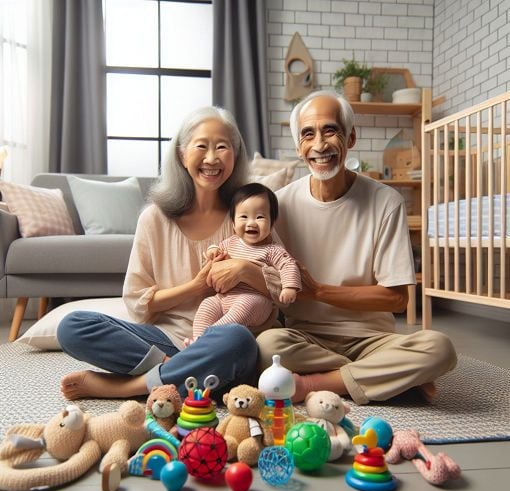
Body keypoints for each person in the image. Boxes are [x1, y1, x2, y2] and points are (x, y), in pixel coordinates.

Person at [57, 106, 272, 402]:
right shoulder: (155, 218)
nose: (211, 158)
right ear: (182, 155)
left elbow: (281, 289)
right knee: (72, 326)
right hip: (165, 342)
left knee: (239, 340)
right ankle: (174, 374)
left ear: (235, 156)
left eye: (222, 147)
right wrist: (196, 286)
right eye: (201, 146)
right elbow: (137, 302)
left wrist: (245, 271)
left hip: (222, 346)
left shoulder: (249, 217)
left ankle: (126, 388)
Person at [257, 90, 457, 405]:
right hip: (305, 338)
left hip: (373, 340)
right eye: (308, 134)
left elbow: (397, 298)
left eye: (330, 130)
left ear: (351, 138)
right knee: (267, 345)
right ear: (299, 147)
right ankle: (385, 378)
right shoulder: (279, 205)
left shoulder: (385, 201)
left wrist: (319, 291)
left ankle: (313, 385)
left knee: (440, 349)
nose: (320, 145)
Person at [188, 182, 301, 343]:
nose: (251, 223)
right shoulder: (230, 243)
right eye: (244, 217)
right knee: (207, 304)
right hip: (224, 299)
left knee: (246, 304)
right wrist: (212, 251)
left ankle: (207, 340)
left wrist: (290, 287)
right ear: (233, 223)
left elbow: (288, 265)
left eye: (260, 217)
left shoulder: (272, 250)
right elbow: (215, 254)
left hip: (257, 302)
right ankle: (198, 341)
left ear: (272, 223)